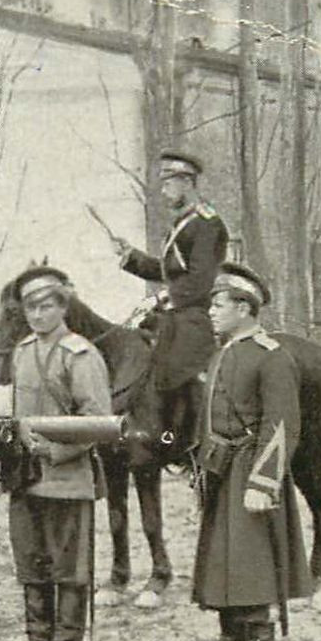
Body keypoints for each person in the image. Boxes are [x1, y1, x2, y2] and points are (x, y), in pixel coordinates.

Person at [190, 264, 311, 641]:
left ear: (244, 307)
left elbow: (281, 426)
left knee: (252, 561)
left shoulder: (271, 356)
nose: (211, 312)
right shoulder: (221, 354)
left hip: (250, 471)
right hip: (221, 471)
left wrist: (264, 482)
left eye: (218, 304)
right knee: (222, 560)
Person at [0, 267, 112, 641]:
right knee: (31, 560)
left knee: (69, 566)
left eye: (47, 305)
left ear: (63, 307)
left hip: (66, 478)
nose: (38, 314)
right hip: (27, 477)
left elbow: (97, 421)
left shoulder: (80, 354)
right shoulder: (23, 351)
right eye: (30, 307)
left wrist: (58, 450)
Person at [114, 150, 229, 445]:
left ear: (187, 182)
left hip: (196, 316)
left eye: (168, 185)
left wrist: (164, 298)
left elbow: (201, 280)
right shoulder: (183, 223)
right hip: (176, 314)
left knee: (172, 368)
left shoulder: (207, 224)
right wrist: (132, 258)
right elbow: (169, 271)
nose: (164, 193)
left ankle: (188, 441)